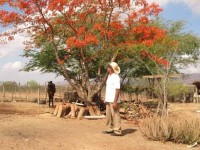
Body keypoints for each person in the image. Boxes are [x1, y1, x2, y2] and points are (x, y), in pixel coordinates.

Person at [103, 62, 122, 136]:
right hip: (108, 99)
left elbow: (118, 89)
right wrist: (105, 97)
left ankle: (117, 130)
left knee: (115, 115)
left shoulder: (116, 77)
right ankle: (109, 129)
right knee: (108, 115)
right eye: (108, 66)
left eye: (109, 67)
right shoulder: (109, 76)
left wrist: (115, 101)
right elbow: (108, 88)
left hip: (113, 100)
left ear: (112, 69)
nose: (107, 68)